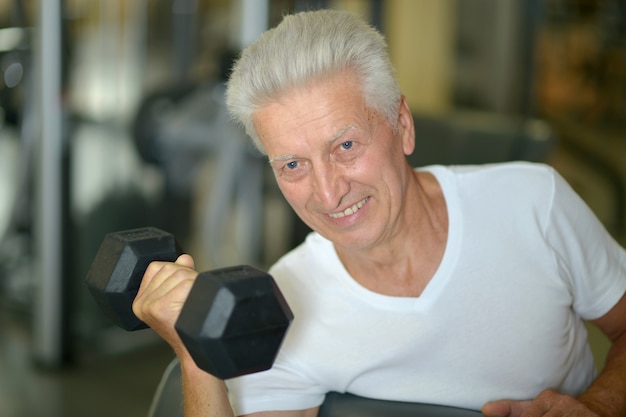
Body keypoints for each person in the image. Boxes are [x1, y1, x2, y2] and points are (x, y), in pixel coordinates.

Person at [132, 9, 626, 417]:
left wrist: (598, 407)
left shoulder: (533, 202)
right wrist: (197, 357)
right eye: (293, 165)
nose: (328, 194)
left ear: (402, 126)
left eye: (345, 145)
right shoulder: (278, 308)